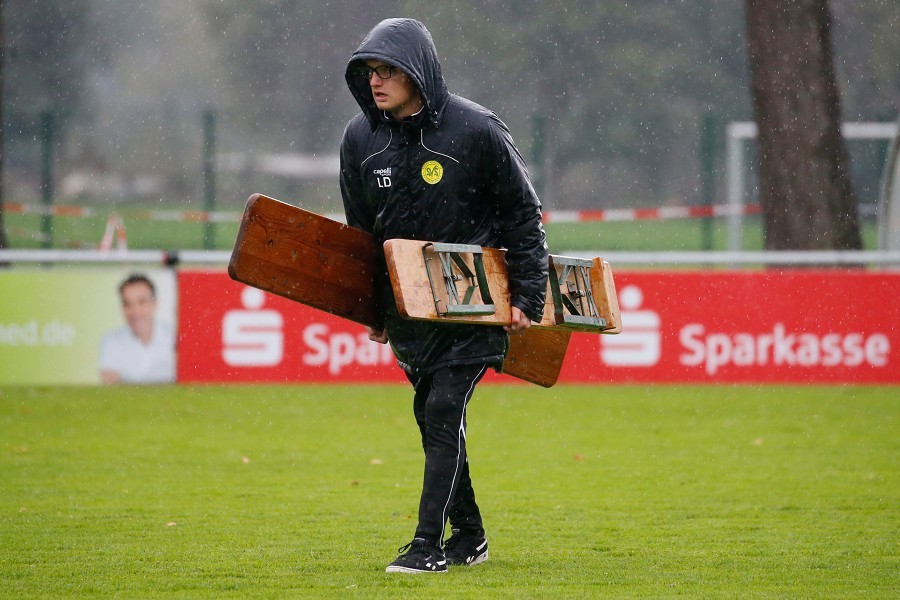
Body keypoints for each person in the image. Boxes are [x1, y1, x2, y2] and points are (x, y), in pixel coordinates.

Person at [340, 18, 548, 573]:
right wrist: (373, 308)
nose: (377, 82)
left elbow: (522, 215)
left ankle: (426, 544)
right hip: (408, 317)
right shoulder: (360, 139)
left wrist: (526, 294)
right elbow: (362, 233)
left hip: (474, 310)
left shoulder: (477, 130)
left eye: (388, 71)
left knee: (441, 409)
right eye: (369, 72)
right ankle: (472, 535)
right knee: (433, 416)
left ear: (417, 72)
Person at [98, 273, 175, 384]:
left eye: (142, 302)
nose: (135, 311)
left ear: (154, 303)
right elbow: (109, 383)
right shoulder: (111, 341)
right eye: (128, 304)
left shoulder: (174, 338)